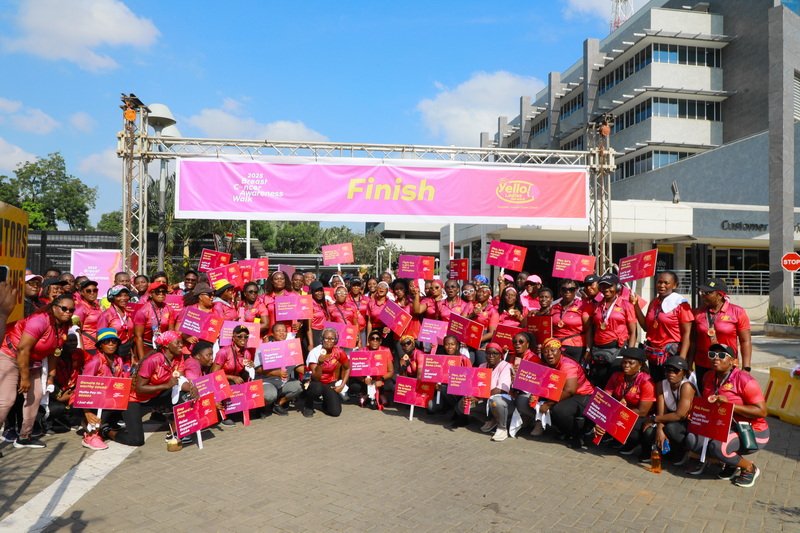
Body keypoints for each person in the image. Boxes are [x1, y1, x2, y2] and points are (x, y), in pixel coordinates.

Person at [685, 343, 768, 487]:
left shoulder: (745, 380)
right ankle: (731, 463)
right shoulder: (708, 376)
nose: (716, 358)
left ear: (733, 361)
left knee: (718, 447)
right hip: (724, 427)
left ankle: (749, 468)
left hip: (752, 431)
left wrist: (730, 406)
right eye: (712, 355)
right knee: (692, 439)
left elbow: (762, 411)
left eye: (722, 355)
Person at [0, 293, 75, 448]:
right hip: (10, 356)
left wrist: (51, 376)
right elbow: (23, 349)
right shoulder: (40, 320)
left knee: (36, 396)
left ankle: (24, 437)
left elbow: (56, 351)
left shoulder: (63, 325)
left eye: (71, 310)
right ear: (54, 307)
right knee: (7, 401)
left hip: (33, 361)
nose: (68, 312)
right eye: (64, 308)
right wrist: (25, 378)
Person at [101, 331, 197, 447]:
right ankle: (107, 431)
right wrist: (166, 386)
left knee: (185, 395)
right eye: (178, 343)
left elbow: (179, 380)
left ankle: (175, 432)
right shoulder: (153, 360)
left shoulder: (179, 356)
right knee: (136, 440)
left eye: (181, 343)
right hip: (134, 399)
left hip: (154, 395)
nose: (181, 345)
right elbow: (139, 388)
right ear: (166, 345)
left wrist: (192, 388)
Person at [524, 338, 595, 448]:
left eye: (553, 350)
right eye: (546, 351)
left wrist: (548, 404)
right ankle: (564, 431)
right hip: (564, 393)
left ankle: (577, 436)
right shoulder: (547, 364)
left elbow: (570, 390)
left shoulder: (567, 365)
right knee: (534, 401)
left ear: (560, 351)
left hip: (582, 395)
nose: (549, 354)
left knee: (559, 410)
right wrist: (535, 396)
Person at [630, 271, 693, 381]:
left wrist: (681, 360)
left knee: (669, 389)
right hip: (653, 355)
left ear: (675, 285)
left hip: (671, 355)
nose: (662, 285)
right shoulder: (654, 302)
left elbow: (687, 334)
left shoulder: (681, 305)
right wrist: (635, 305)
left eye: (666, 283)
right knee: (657, 385)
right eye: (659, 282)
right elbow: (646, 327)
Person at [595, 347, 655, 459]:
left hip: (641, 416)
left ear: (640, 365)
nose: (626, 365)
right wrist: (599, 417)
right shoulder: (616, 376)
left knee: (630, 428)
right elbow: (605, 398)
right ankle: (618, 439)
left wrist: (614, 415)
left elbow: (643, 411)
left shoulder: (646, 381)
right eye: (624, 362)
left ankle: (635, 444)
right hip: (621, 411)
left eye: (631, 363)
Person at [691, 278, 752, 386]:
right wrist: (689, 363)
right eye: (702, 292)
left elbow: (745, 341)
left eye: (708, 293)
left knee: (726, 397)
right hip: (703, 365)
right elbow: (693, 341)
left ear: (720, 295)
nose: (703, 295)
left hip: (727, 365)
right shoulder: (698, 312)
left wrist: (746, 368)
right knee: (706, 398)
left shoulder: (737, 312)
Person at [584, 274, 637, 388]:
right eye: (603, 286)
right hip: (598, 351)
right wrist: (589, 349)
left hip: (618, 350)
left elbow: (633, 332)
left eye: (609, 286)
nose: (606, 289)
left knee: (615, 385)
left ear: (617, 287)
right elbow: (591, 329)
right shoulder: (597, 306)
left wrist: (630, 354)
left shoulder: (626, 305)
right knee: (599, 385)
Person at [639, 356, 695, 463]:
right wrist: (659, 429)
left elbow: (680, 415)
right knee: (648, 430)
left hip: (685, 422)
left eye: (676, 371)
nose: (671, 373)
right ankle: (659, 452)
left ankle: (681, 451)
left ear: (684, 373)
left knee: (671, 429)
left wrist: (654, 419)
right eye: (668, 370)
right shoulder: (661, 385)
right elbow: (662, 412)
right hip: (667, 417)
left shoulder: (687, 386)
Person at [79, 328, 127, 451]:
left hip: (111, 399)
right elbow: (84, 386)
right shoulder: (95, 361)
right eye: (106, 342)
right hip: (94, 402)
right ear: (100, 345)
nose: (111, 344)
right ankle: (90, 435)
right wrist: (87, 412)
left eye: (114, 341)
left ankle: (108, 425)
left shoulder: (118, 360)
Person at [456, 343, 514, 442]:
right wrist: (471, 396)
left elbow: (501, 390)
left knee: (496, 401)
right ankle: (491, 420)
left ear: (500, 355)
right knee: (463, 404)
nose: (491, 356)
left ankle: (502, 428)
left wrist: (479, 398)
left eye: (495, 353)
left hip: (505, 402)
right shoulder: (482, 366)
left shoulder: (505, 366)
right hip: (486, 400)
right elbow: (476, 386)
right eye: (488, 353)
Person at [302, 327, 350, 417]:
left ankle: (326, 402)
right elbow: (316, 377)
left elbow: (347, 368)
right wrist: (319, 364)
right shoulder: (315, 352)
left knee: (335, 412)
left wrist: (342, 385)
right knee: (317, 388)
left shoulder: (339, 352)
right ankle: (308, 404)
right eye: (326, 338)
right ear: (322, 339)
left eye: (332, 339)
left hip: (329, 382)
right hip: (312, 381)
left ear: (335, 340)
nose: (329, 341)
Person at [133, 281, 176, 363]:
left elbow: (171, 333)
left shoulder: (169, 309)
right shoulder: (143, 311)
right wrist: (142, 359)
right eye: (158, 291)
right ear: (151, 294)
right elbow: (138, 337)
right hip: (146, 347)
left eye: (164, 291)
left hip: (162, 348)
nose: (161, 294)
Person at [551, 279, 589, 363]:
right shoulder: (553, 307)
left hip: (575, 346)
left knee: (573, 373)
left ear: (575, 290)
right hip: (556, 346)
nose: (567, 291)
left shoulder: (582, 305)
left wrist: (588, 349)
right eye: (564, 289)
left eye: (571, 289)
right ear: (560, 291)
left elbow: (589, 329)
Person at [97, 285, 135, 361]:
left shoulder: (129, 313)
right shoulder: (106, 315)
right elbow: (100, 338)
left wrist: (132, 356)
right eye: (119, 296)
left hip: (127, 353)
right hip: (112, 354)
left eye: (125, 295)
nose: (123, 298)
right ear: (112, 298)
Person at [74, 279, 102, 353]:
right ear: (82, 293)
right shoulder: (80, 308)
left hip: (98, 345)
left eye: (95, 290)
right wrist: (82, 349)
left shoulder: (96, 305)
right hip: (87, 347)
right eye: (88, 291)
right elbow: (77, 330)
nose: (92, 293)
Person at [308, 280, 330, 348]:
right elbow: (308, 328)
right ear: (312, 292)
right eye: (317, 291)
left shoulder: (324, 303)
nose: (319, 293)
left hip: (324, 332)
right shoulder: (310, 304)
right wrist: (311, 343)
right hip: (315, 333)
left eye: (321, 291)